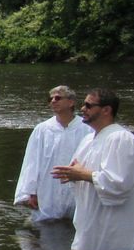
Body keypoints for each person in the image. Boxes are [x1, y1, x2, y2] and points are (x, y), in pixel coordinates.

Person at [52, 88, 134, 250]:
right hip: (89, 230)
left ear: (106, 110)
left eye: (89, 105)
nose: (82, 108)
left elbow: (119, 184)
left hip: (115, 236)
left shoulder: (121, 139)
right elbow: (79, 171)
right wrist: (73, 174)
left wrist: (82, 174)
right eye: (83, 104)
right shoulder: (88, 140)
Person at [13, 85, 89, 223]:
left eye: (58, 97)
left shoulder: (86, 129)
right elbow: (31, 162)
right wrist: (30, 192)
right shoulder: (42, 130)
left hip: (78, 189)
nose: (53, 101)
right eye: (50, 99)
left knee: (77, 224)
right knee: (43, 228)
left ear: (71, 102)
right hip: (48, 189)